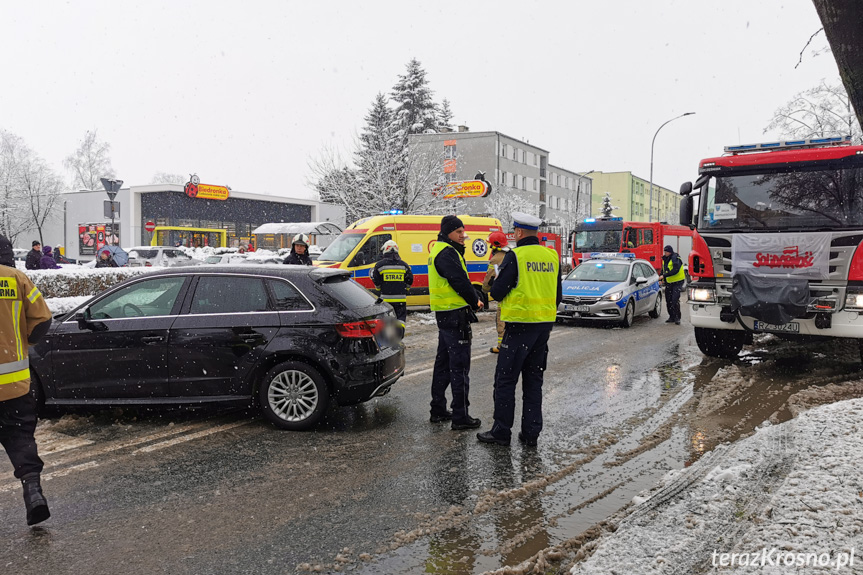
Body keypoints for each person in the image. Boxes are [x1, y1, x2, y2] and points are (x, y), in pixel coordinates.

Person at [477, 212, 562, 447]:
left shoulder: (516, 256)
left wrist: (495, 284)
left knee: (505, 381)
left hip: (518, 329)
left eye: (514, 232)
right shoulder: (552, 256)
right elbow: (557, 295)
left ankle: (501, 431)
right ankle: (531, 433)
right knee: (533, 381)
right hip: (542, 330)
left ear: (519, 233)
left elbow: (497, 292)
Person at [0, 234, 53, 525]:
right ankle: (33, 492)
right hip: (14, 385)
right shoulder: (17, 279)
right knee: (20, 439)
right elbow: (43, 320)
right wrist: (23, 340)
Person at [429, 215, 484, 430]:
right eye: (459, 232)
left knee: (442, 364)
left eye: (463, 231)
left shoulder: (440, 249)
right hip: (455, 316)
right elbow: (459, 280)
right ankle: (460, 416)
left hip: (445, 315)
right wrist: (475, 300)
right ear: (448, 232)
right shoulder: (447, 252)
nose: (463, 236)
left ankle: (438, 409)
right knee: (460, 366)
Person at [372, 240, 413, 331]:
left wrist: (379, 288)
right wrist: (406, 289)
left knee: (385, 320)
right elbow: (410, 279)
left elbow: (376, 279)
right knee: (400, 320)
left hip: (386, 299)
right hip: (400, 299)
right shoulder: (404, 265)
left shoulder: (380, 265)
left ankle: (386, 337)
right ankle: (399, 335)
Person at [483, 231, 510, 354]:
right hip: (514, 295)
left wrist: (485, 289)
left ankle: (501, 346)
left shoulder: (495, 259)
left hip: (503, 297)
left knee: (501, 321)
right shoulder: (512, 255)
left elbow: (488, 280)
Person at [660, 244, 685, 325]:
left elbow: (675, 270)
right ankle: (672, 317)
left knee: (674, 300)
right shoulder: (665, 259)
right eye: (665, 251)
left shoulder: (675, 258)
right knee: (668, 300)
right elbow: (664, 270)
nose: (665, 253)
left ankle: (677, 317)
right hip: (669, 282)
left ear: (670, 252)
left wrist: (664, 276)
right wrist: (662, 278)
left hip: (677, 282)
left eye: (666, 251)